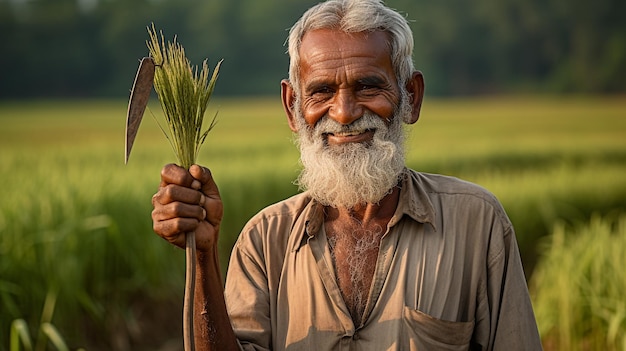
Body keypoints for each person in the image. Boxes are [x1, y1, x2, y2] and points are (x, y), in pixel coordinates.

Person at [151, 0, 543, 350]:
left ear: (411, 97)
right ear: (293, 107)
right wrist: (204, 257)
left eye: (368, 86)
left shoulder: (476, 224)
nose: (343, 112)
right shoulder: (265, 241)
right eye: (321, 91)